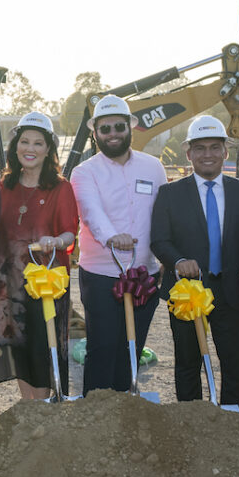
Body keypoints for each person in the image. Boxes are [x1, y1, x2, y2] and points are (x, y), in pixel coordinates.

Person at [151, 116, 239, 410]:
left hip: (232, 290)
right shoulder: (170, 193)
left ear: (225, 152)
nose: (208, 154)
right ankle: (192, 421)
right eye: (200, 148)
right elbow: (159, 240)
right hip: (187, 292)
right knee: (188, 362)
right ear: (188, 153)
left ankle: (234, 419)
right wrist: (178, 261)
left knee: (236, 363)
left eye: (215, 147)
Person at [70, 94, 167, 393]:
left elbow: (165, 215)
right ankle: (96, 415)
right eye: (105, 129)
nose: (113, 134)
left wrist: (166, 257)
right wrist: (112, 237)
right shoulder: (84, 172)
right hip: (101, 275)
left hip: (145, 274)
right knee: (102, 347)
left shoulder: (154, 168)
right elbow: (91, 212)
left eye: (118, 127)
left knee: (132, 349)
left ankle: (126, 411)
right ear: (95, 133)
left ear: (130, 127)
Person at [0, 112, 78, 400]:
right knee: (18, 347)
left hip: (45, 284)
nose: (30, 148)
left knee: (43, 346)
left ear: (48, 149)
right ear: (15, 146)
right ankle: (30, 407)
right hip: (9, 283)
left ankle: (43, 406)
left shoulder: (60, 187)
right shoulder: (4, 185)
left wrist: (55, 240)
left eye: (38, 143)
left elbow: (70, 233)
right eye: (24, 141)